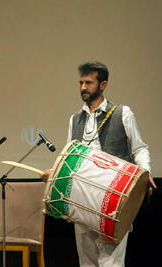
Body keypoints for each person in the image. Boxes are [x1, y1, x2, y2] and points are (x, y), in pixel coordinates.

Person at [42, 61, 156, 267]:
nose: (83, 87)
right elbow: (69, 156)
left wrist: (145, 172)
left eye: (88, 82)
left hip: (112, 200)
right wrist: (55, 172)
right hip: (81, 199)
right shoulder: (74, 119)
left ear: (103, 85)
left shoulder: (123, 113)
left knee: (111, 263)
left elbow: (139, 148)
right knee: (87, 262)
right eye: (80, 83)